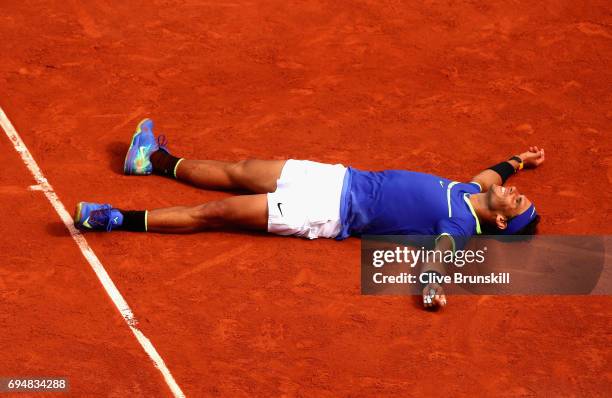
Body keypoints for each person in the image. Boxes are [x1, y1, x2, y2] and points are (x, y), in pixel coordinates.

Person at [74, 119, 545, 308]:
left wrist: (433, 284)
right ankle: (152, 160)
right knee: (240, 170)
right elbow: (491, 172)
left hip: (324, 211)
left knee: (216, 212)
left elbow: (442, 254)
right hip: (333, 177)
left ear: (500, 222)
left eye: (516, 200)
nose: (513, 190)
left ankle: (114, 218)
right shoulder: (475, 190)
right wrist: (521, 159)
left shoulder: (461, 225)